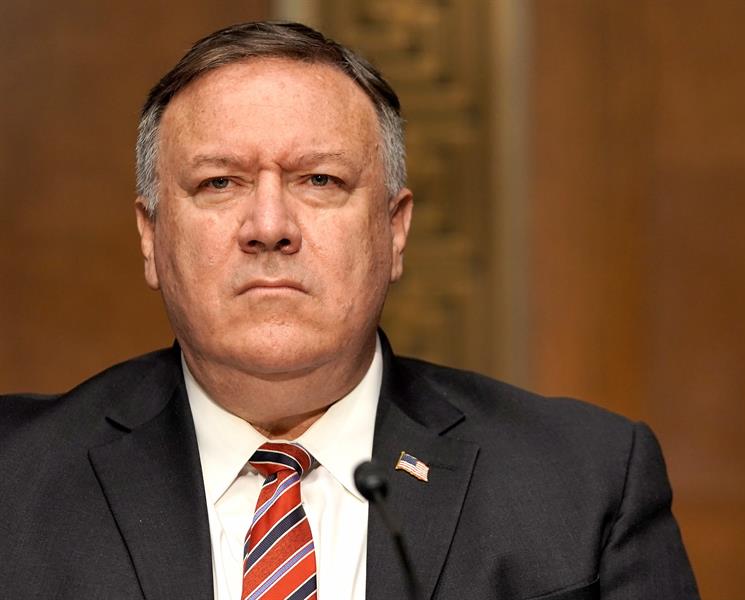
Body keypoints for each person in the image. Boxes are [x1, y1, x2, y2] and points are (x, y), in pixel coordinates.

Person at [0, 21, 700, 600]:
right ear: (151, 237)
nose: (269, 226)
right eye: (219, 182)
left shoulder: (583, 484)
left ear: (394, 230)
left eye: (319, 179)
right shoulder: (15, 481)